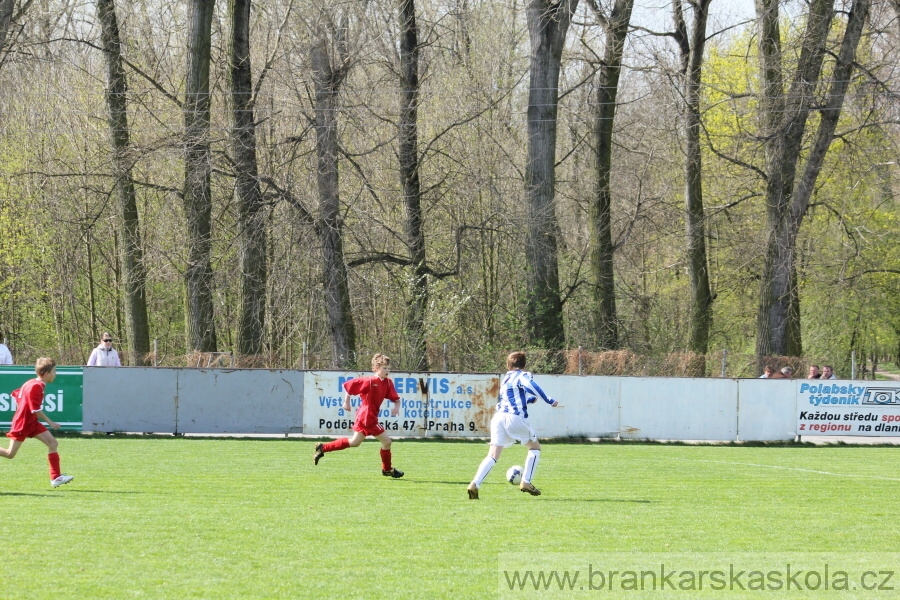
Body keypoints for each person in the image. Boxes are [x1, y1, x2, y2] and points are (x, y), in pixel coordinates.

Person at [467, 351, 560, 500]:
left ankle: (475, 484)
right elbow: (531, 386)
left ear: (508, 365)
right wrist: (549, 400)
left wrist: (528, 400)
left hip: (498, 418)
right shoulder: (522, 375)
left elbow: (511, 398)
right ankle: (526, 482)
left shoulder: (506, 378)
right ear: (524, 364)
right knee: (535, 448)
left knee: (492, 455)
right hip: (514, 418)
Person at [313, 353, 404, 478]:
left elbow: (396, 400)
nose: (387, 370)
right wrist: (346, 402)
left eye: (388, 368)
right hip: (367, 417)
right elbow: (348, 386)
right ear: (376, 368)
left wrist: (397, 407)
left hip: (367, 417)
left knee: (354, 442)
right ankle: (387, 469)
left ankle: (323, 447)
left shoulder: (387, 383)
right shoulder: (369, 381)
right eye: (384, 368)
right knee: (387, 442)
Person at [0, 357, 74, 488]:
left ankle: (56, 477)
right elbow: (35, 410)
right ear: (46, 373)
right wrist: (51, 423)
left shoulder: (32, 382)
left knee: (53, 443)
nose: (55, 374)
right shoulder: (36, 386)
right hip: (23, 424)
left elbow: (16, 395)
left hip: (31, 422)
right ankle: (56, 477)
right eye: (54, 371)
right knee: (9, 454)